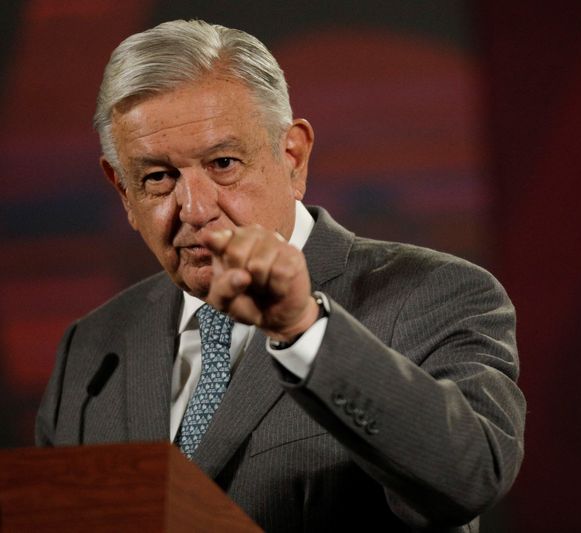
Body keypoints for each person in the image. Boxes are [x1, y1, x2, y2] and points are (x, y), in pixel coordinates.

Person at [36, 19, 525, 532]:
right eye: (158, 178)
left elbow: (470, 477)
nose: (196, 209)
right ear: (123, 192)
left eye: (223, 163)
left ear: (292, 157)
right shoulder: (92, 346)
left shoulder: (431, 294)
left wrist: (303, 331)